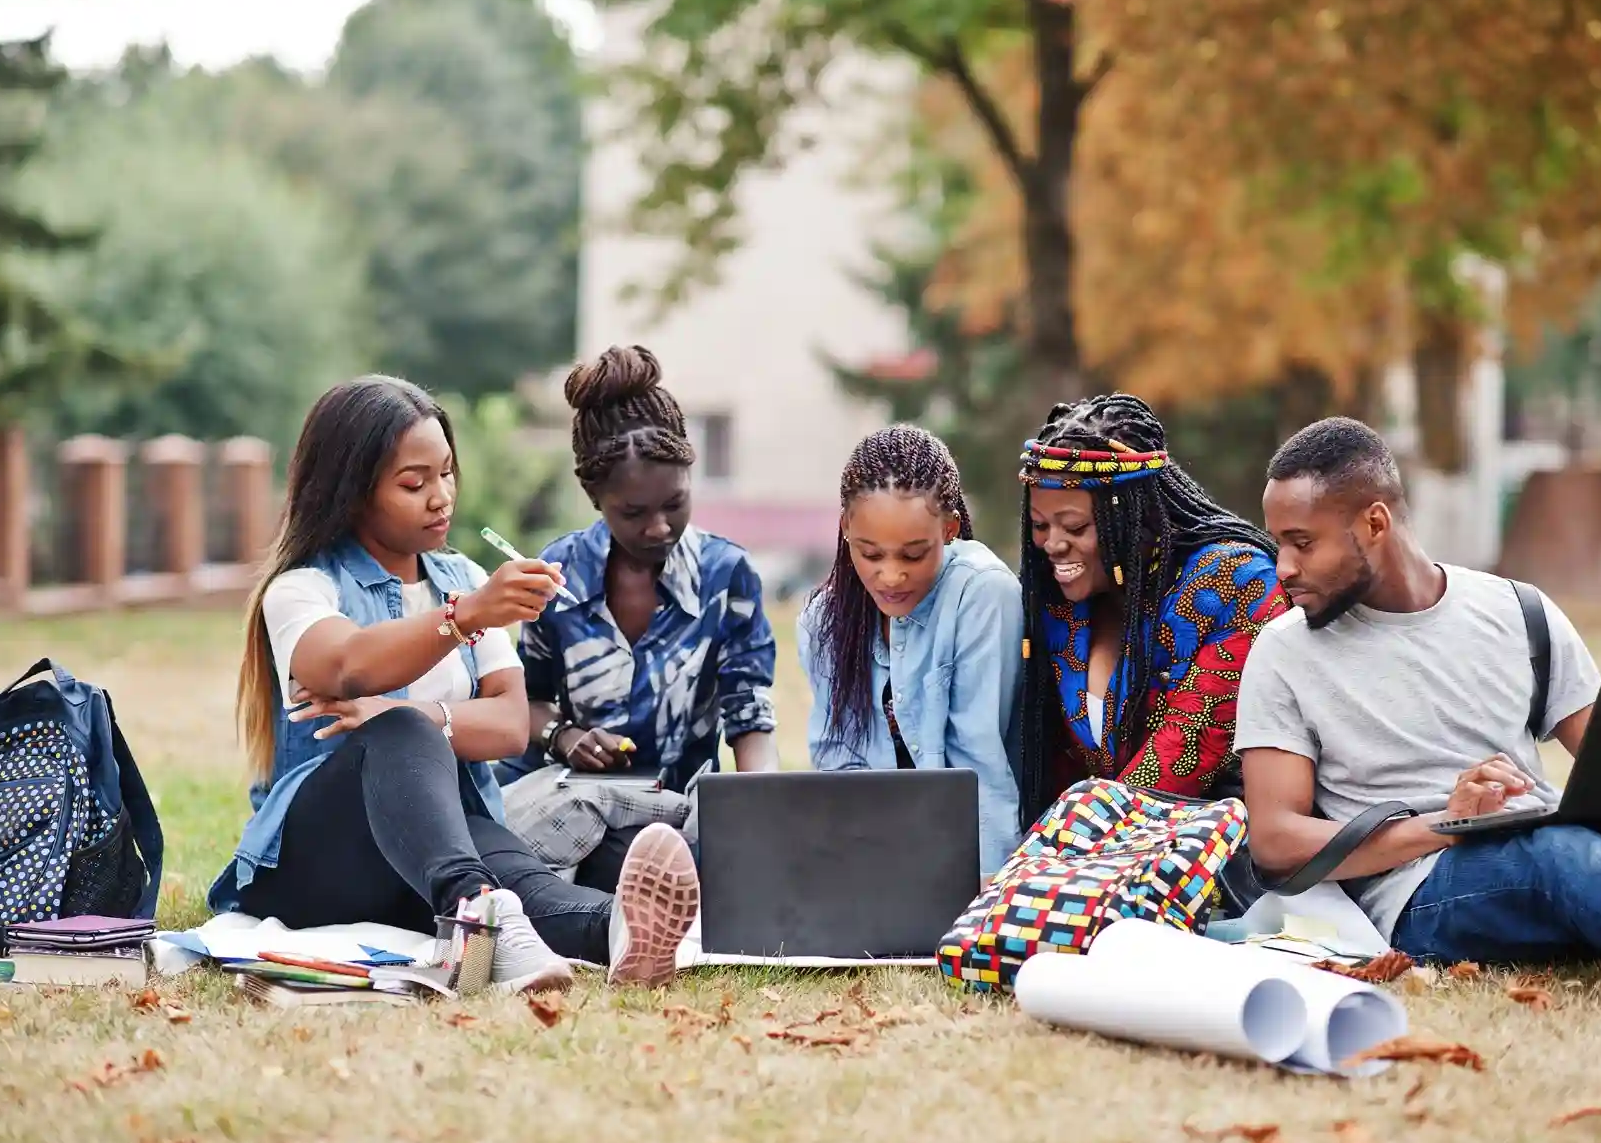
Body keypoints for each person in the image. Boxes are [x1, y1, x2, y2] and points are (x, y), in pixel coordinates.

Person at [206, 375, 700, 991]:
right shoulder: (304, 589)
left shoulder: (462, 577)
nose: (441, 497)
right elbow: (345, 664)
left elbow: (510, 725)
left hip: (437, 847)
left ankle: (620, 932)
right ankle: (476, 915)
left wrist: (423, 712)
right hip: (318, 862)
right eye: (414, 484)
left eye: (446, 473)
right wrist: (461, 621)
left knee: (534, 892)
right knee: (402, 733)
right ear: (352, 491)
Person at [1237, 417, 1601, 987]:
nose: (1283, 567)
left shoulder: (1518, 609)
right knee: (1563, 855)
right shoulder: (1283, 653)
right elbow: (1276, 841)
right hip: (1422, 888)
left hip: (1544, 839)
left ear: (1375, 523)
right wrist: (1447, 823)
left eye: (1303, 543)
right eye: (1279, 543)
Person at [495, 346, 779, 890]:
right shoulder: (558, 576)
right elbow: (522, 701)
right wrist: (566, 736)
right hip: (569, 807)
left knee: (682, 866)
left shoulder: (726, 576)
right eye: (633, 512)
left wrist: (761, 812)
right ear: (594, 497)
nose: (659, 527)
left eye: (675, 503)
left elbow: (750, 717)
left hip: (676, 815)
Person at [1014, 393, 1288, 824]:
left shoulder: (1235, 583)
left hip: (1212, 844)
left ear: (1135, 516)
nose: (1052, 544)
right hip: (1088, 846)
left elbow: (1184, 752)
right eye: (1039, 525)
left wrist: (1073, 842)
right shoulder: (1056, 606)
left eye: (1075, 526)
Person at [798, 424, 1023, 878]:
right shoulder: (823, 620)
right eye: (871, 554)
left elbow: (982, 766)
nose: (891, 576)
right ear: (845, 529)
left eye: (913, 555)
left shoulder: (982, 595)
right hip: (873, 862)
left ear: (950, 529)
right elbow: (838, 769)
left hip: (972, 862)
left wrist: (985, 891)